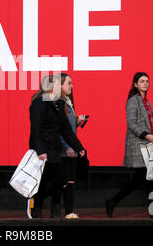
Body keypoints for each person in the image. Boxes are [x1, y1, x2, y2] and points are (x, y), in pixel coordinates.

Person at [104, 72, 153, 219]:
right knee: (149, 180)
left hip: (150, 144)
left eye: (147, 81)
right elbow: (131, 124)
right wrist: (147, 135)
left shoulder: (147, 101)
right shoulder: (133, 101)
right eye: (142, 81)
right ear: (135, 84)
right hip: (139, 145)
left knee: (146, 180)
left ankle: (113, 202)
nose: (145, 83)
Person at [27, 74, 86, 219]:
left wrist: (79, 147)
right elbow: (36, 129)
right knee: (57, 176)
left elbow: (65, 129)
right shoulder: (39, 102)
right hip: (42, 147)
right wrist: (40, 151)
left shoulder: (58, 103)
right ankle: (38, 207)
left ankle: (51, 211)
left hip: (54, 146)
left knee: (56, 178)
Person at [58, 73, 88, 219]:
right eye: (69, 83)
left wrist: (77, 121)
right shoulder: (58, 103)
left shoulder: (68, 101)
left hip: (71, 148)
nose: (71, 86)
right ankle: (36, 198)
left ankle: (69, 212)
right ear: (60, 85)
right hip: (64, 149)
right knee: (63, 182)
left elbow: (68, 128)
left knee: (70, 181)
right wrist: (66, 147)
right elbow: (59, 129)